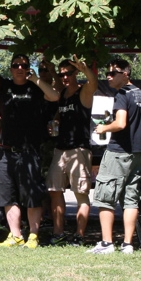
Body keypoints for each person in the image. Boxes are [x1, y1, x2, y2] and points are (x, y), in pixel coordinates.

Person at [0, 37, 60, 249]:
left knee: (32, 196)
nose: (19, 68)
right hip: (6, 152)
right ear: (10, 68)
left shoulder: (36, 89)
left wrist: (35, 80)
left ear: (28, 69)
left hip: (29, 151)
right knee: (8, 195)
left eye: (24, 65)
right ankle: (15, 235)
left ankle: (33, 235)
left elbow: (54, 96)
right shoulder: (4, 86)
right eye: (15, 65)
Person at [89, 58, 141, 254]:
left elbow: (121, 123)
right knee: (131, 199)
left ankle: (107, 244)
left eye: (113, 73)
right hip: (139, 152)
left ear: (125, 74)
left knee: (105, 197)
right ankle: (127, 244)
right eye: (107, 73)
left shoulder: (122, 93)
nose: (108, 76)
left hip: (119, 152)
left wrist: (103, 127)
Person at [46, 55, 98, 247]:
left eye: (68, 73)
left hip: (79, 150)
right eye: (62, 74)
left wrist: (86, 69)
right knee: (54, 190)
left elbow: (94, 83)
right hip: (60, 149)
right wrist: (55, 124)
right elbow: (59, 116)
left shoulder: (83, 92)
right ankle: (58, 233)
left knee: (81, 193)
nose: (65, 77)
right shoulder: (63, 94)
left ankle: (79, 235)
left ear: (76, 72)